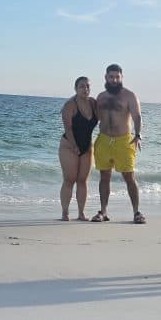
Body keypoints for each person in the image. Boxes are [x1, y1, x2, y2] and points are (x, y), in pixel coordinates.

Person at [91, 63, 145, 223]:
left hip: (124, 141)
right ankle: (103, 212)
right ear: (106, 77)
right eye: (111, 77)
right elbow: (93, 118)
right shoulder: (100, 97)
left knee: (129, 176)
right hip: (104, 140)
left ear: (121, 78)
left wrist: (138, 134)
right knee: (104, 176)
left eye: (117, 77)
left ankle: (137, 212)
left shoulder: (129, 95)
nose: (114, 80)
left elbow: (137, 116)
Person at [58, 76, 98, 221]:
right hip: (69, 146)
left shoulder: (93, 103)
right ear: (75, 88)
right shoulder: (70, 105)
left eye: (87, 86)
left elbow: (105, 118)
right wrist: (75, 146)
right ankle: (65, 212)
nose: (85, 89)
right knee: (69, 180)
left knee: (83, 180)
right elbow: (68, 129)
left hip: (87, 146)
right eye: (82, 86)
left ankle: (81, 213)